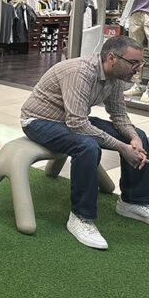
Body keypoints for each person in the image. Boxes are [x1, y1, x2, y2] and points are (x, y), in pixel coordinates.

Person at [20, 36, 149, 250]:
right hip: (39, 121)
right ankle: (81, 217)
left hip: (70, 119)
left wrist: (133, 138)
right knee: (87, 145)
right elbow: (78, 124)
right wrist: (122, 148)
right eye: (133, 63)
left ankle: (132, 202)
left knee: (140, 135)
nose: (137, 69)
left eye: (140, 63)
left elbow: (118, 114)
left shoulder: (117, 76)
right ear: (112, 58)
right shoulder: (81, 72)